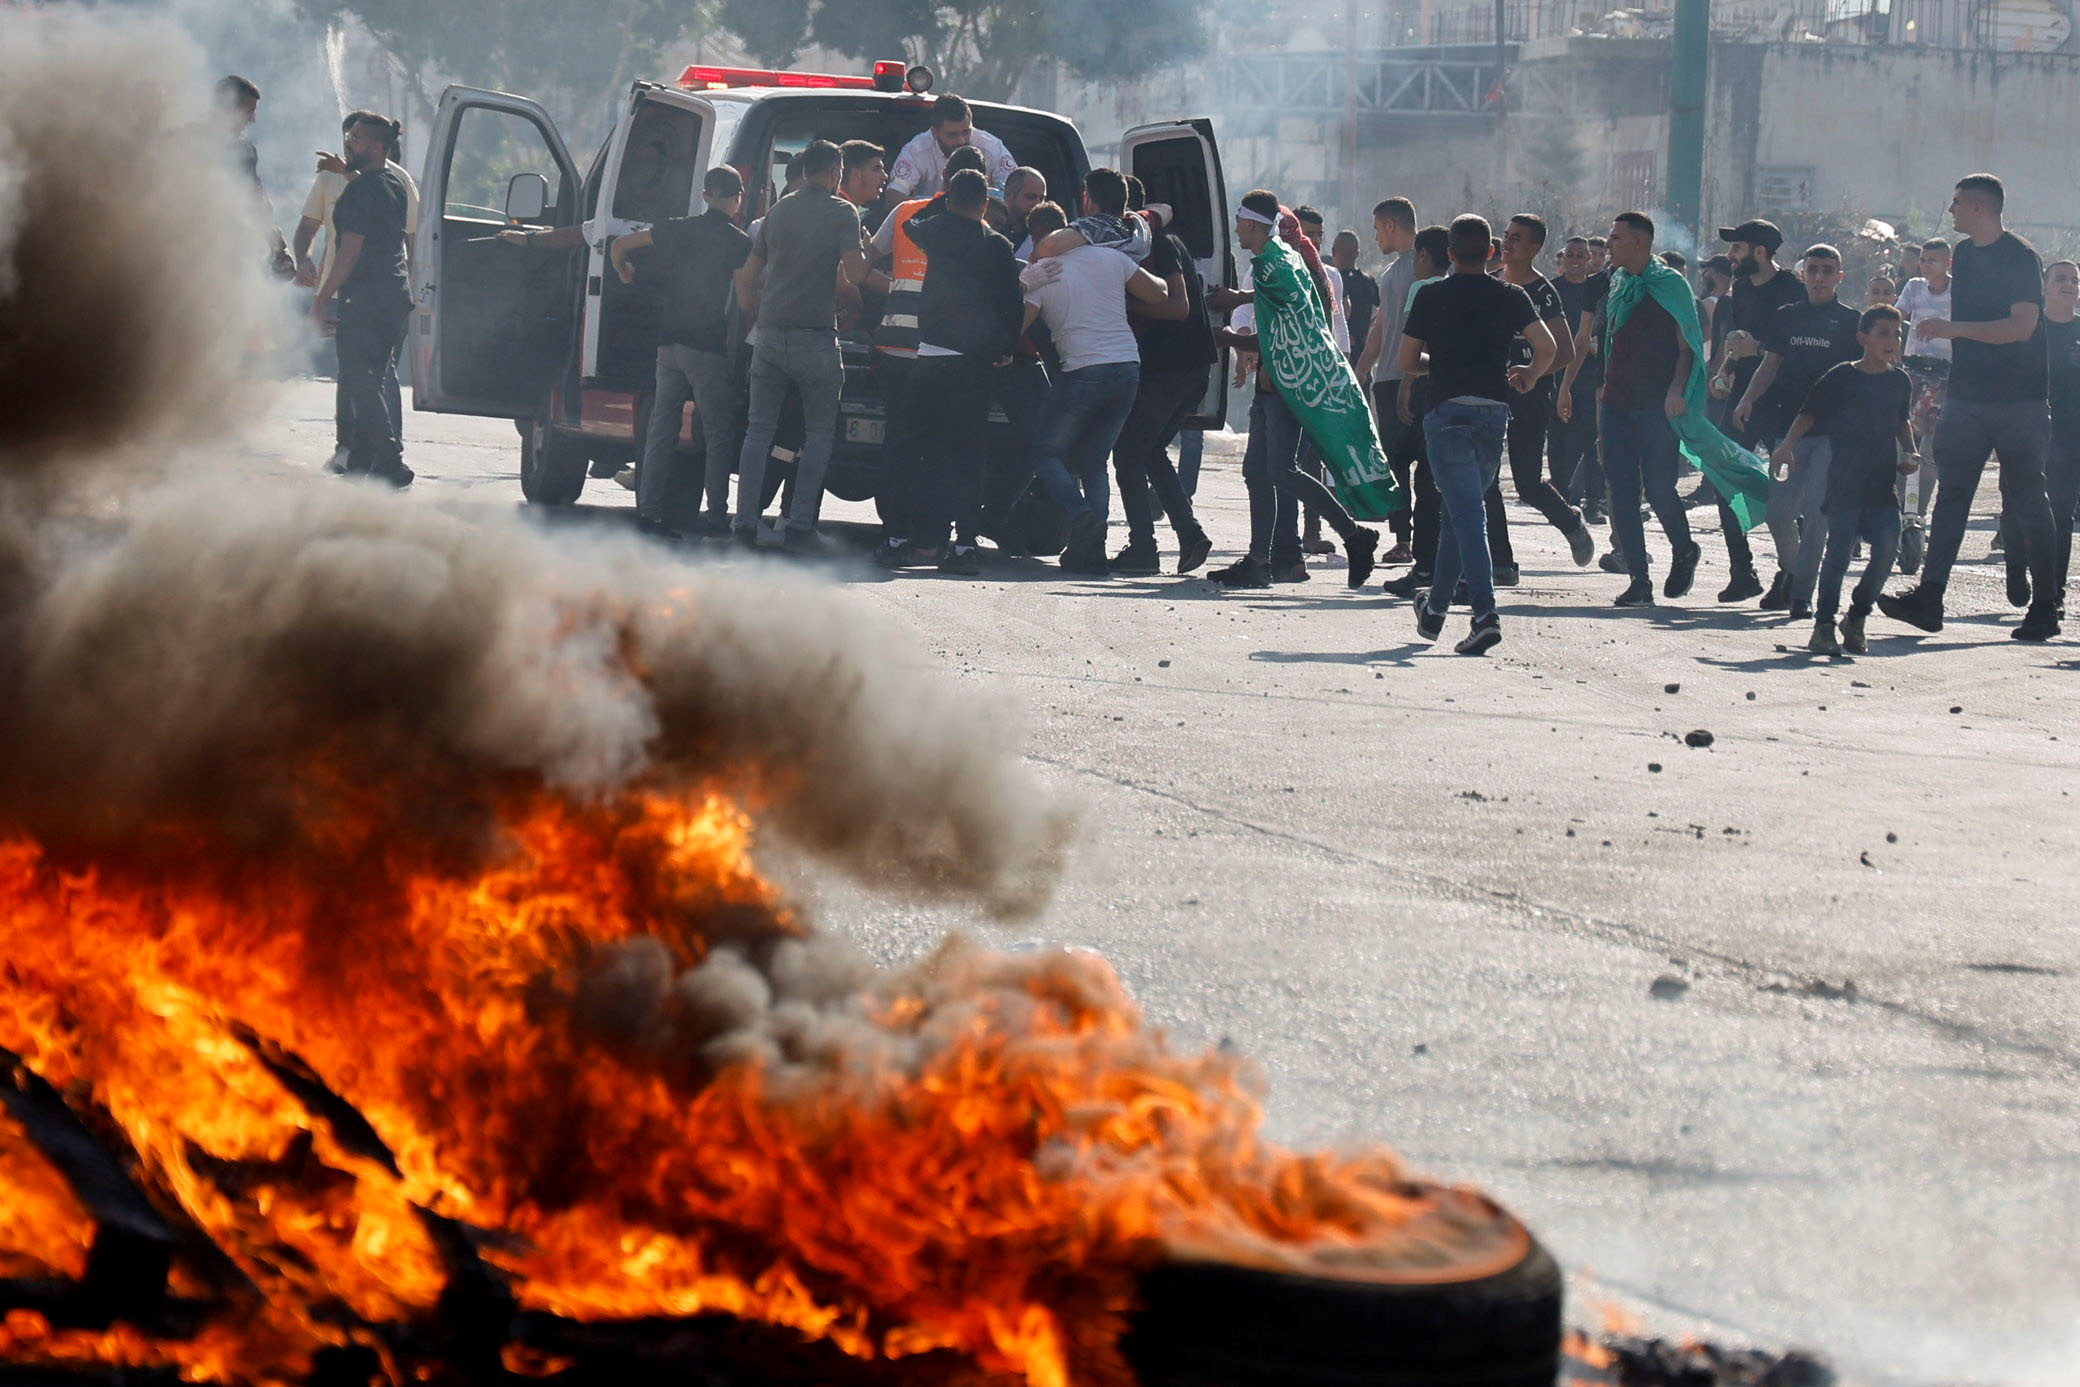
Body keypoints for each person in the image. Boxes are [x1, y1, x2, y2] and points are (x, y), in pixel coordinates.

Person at [1880, 174, 2062, 641]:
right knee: (1952, 496)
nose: (1952, 210)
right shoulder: (1966, 256)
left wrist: (1954, 329)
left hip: (2019, 400)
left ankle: (2045, 605)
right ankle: (1930, 597)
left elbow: (2021, 327)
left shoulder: (2020, 257)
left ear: (1980, 208)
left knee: (2025, 497)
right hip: (1966, 396)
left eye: (1958, 203)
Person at [1209, 195, 1396, 588]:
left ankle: (1353, 534)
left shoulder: (1269, 264)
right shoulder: (1284, 259)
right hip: (1281, 379)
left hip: (1285, 384)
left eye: (1240, 220)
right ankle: (1260, 561)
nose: (1237, 227)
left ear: (1250, 225)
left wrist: (1228, 338)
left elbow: (1289, 330)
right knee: (1257, 471)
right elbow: (1288, 314)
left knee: (1280, 470)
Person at [1397, 215, 1555, 654]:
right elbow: (1548, 348)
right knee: (1458, 513)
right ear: (1491, 253)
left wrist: (1440, 364)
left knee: (1467, 515)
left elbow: (1407, 359)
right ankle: (1434, 613)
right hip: (1492, 414)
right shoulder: (1512, 295)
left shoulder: (1431, 295)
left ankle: (1485, 615)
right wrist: (1528, 374)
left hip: (1447, 413)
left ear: (1449, 253)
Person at [1019, 169, 1185, 574]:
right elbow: (1161, 293)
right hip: (1127, 370)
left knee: (1046, 453)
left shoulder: (1048, 269)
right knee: (1094, 461)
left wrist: (1023, 285)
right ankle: (1090, 551)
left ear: (1086, 205)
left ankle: (1081, 518)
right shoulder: (1114, 256)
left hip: (1082, 372)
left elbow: (1017, 328)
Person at [882, 168, 1025, 575]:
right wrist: (1006, 348)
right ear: (984, 206)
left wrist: (941, 198)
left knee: (911, 449)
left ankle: (897, 538)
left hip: (929, 358)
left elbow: (908, 222)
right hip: (974, 365)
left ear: (949, 200)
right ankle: (963, 546)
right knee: (966, 455)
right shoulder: (997, 245)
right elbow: (1013, 302)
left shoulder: (935, 233)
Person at [732, 139, 870, 553]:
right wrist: (863, 243)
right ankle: (799, 525)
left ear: (805, 170)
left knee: (758, 430)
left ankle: (743, 524)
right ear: (835, 173)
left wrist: (759, 312)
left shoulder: (778, 211)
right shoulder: (842, 212)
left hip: (771, 334)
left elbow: (749, 274)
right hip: (815, 338)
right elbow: (858, 273)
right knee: (819, 433)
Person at [608, 165, 753, 541]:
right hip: (705, 347)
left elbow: (619, 245)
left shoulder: (676, 228)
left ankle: (649, 514)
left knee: (662, 430)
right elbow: (744, 299)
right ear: (738, 199)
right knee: (718, 433)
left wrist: (624, 273)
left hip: (667, 345)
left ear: (705, 195)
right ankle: (717, 515)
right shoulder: (738, 242)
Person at [1570, 212, 1703, 606]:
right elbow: (1609, 350)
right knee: (1621, 492)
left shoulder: (1670, 285)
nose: (1608, 245)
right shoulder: (1618, 284)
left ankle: (1684, 549)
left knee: (1660, 487)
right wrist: (1600, 414)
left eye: (1616, 238)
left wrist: (1676, 390)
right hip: (1616, 401)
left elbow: (1686, 346)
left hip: (1657, 404)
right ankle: (1639, 581)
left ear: (1640, 242)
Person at [1770, 305, 1918, 655]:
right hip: (1844, 484)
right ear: (1862, 338)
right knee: (1837, 556)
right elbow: (1808, 415)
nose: (1891, 340)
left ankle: (1857, 616)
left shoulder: (1900, 380)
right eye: (1883, 333)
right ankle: (1823, 626)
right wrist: (1787, 448)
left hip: (1881, 486)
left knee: (1887, 549)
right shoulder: (1841, 376)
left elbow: (1902, 422)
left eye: (1896, 334)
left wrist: (1910, 452)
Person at [870, 143, 992, 563]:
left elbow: (866, 259)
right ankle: (933, 534)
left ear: (943, 179)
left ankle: (896, 534)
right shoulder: (987, 228)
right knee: (944, 449)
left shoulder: (908, 213)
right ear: (983, 189)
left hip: (898, 346)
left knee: (900, 444)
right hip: (951, 353)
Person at [1731, 243, 1862, 617]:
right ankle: (1792, 571)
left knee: (1818, 513)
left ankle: (1801, 594)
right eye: (1813, 269)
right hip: (1786, 429)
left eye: (1827, 270)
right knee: (1778, 511)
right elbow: (1769, 364)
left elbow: (1864, 373)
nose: (1819, 277)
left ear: (1839, 276)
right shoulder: (1786, 316)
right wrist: (1747, 399)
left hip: (1834, 431)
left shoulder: (1853, 321)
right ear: (1802, 273)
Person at [295, 112, 421, 475]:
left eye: (357, 136)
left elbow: (349, 252)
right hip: (393, 299)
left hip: (366, 300)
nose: (348, 140)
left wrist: (320, 301)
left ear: (377, 146)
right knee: (373, 378)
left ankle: (390, 461)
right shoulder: (392, 184)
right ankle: (362, 459)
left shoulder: (360, 191)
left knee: (360, 380)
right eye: (349, 134)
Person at [1109, 206, 1218, 576]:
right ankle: (1189, 533)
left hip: (1175, 368)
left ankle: (1143, 547)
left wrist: (1125, 302)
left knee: (1127, 452)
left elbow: (1178, 307)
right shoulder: (1154, 245)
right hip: (1185, 368)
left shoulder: (1162, 243)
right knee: (1149, 449)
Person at [1709, 218, 1804, 601]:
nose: (1730, 256)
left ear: (1760, 253)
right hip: (1744, 398)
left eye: (1738, 248)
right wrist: (1725, 369)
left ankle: (1791, 574)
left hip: (1787, 401)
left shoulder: (1793, 291)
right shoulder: (1741, 289)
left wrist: (1759, 349)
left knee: (1787, 490)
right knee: (1724, 478)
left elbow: (1800, 350)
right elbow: (1739, 341)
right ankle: (1741, 571)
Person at [1493, 213, 1594, 571]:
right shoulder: (1491, 284)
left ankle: (1571, 524)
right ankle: (1502, 563)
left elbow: (1565, 351)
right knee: (1487, 481)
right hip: (1490, 395)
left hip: (1531, 397)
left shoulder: (1542, 292)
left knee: (1528, 483)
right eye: (1506, 235)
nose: (1507, 242)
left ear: (1535, 248)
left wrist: (1534, 374)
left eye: (1517, 238)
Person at [1355, 197, 1420, 563]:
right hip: (1387, 380)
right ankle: (1403, 539)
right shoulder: (1392, 273)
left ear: (1392, 225)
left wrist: (1412, 376)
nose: (1376, 236)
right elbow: (1382, 324)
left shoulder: (1426, 267)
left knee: (1426, 464)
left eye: (1378, 228)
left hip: (1416, 376)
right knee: (1395, 463)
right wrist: (1363, 368)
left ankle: (1428, 538)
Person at [1895, 237, 1953, 553]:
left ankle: (1918, 516)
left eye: (1934, 260)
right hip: (1911, 373)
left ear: (1948, 263)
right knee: (1904, 447)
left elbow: (1969, 326)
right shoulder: (1914, 287)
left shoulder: (1959, 291)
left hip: (1944, 377)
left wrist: (1945, 328)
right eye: (1924, 260)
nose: (1927, 266)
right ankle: (1902, 510)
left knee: (1929, 454)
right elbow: (1897, 316)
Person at [1550, 235, 1609, 527]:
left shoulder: (1598, 289)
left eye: (1580, 256)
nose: (1574, 261)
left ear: (1589, 260)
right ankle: (1560, 498)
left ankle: (1593, 501)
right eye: (1569, 256)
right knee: (1558, 436)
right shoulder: (1552, 290)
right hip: (1555, 370)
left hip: (1591, 374)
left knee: (1591, 438)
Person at [218, 75, 294, 278]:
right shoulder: (188, 140)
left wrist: (278, 244)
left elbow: (256, 197)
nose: (253, 120)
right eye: (249, 111)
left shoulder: (243, 149)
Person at [2040, 260, 2080, 618]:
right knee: (2021, 515)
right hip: (2030, 432)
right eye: (2061, 279)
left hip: (2072, 438)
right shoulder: (2030, 328)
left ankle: (2054, 591)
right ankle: (2019, 568)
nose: (2068, 284)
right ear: (2045, 286)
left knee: (2061, 515)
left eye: (2074, 280)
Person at [886, 93, 1017, 201]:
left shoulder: (992, 147)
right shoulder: (916, 151)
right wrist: (937, 206)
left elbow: (1016, 191)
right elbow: (894, 196)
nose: (961, 140)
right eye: (952, 135)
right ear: (934, 132)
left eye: (966, 132)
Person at [1332, 230, 1379, 370]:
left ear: (1334, 252)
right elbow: (1380, 312)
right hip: (1362, 349)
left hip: (1340, 347)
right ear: (1357, 254)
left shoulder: (1334, 280)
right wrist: (1366, 330)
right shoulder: (1368, 280)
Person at [1002, 167, 1048, 254]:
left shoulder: (1045, 237)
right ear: (1008, 195)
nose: (1038, 204)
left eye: (1042, 199)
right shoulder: (990, 227)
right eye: (1031, 197)